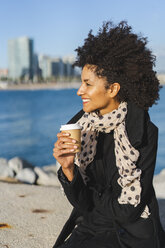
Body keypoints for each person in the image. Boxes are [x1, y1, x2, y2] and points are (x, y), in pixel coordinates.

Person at [53, 21, 165, 248]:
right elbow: (81, 203)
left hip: (132, 233)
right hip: (91, 226)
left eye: (87, 84)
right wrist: (68, 169)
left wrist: (92, 202)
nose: (79, 91)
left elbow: (128, 211)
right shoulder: (83, 127)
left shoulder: (142, 133)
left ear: (113, 89)